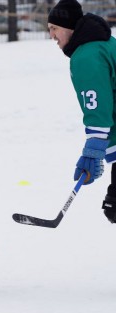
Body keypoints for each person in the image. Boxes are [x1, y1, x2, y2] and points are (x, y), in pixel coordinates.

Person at [46, 0, 116, 222]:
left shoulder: (86, 55)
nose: (52, 36)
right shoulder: (104, 44)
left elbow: (98, 105)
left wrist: (93, 151)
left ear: (69, 27)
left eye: (54, 29)